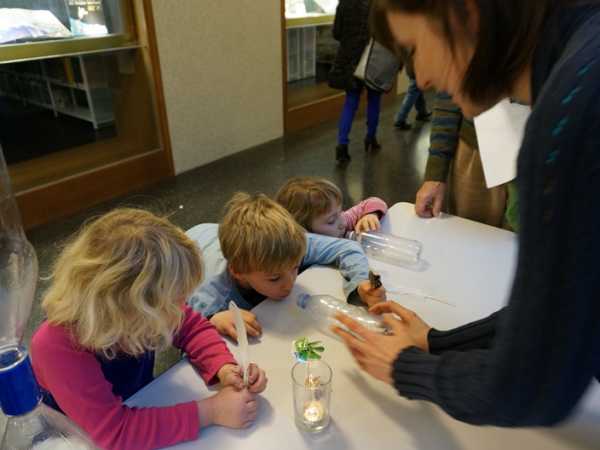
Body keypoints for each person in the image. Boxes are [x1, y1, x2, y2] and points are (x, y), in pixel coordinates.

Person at [334, 0, 600, 427]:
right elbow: (558, 308)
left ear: (466, 12)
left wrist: (404, 367)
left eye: (414, 49)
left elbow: (532, 384)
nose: (420, 78)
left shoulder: (569, 119)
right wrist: (438, 342)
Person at [31, 209, 268, 450]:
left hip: (139, 401)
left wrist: (224, 368)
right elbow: (115, 433)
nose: (181, 308)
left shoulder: (144, 312)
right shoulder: (56, 346)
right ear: (128, 310)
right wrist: (212, 411)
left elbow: (191, 327)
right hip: (74, 436)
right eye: (175, 300)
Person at [186, 193, 386, 340]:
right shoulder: (210, 293)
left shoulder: (287, 245)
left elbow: (347, 247)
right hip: (190, 246)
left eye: (296, 267)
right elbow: (184, 332)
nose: (289, 284)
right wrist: (213, 320)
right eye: (274, 278)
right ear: (238, 273)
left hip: (216, 234)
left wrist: (360, 283)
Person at [415, 92, 517, 230]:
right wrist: (435, 174)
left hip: (540, 150)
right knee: (471, 234)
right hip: (477, 151)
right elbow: (449, 97)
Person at [329, 0, 383, 163]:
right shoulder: (377, 4)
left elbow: (337, 33)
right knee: (374, 100)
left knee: (350, 102)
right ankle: (371, 138)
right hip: (372, 59)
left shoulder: (344, 2)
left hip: (350, 61)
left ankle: (342, 146)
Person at [275, 176, 388, 238]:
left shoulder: (342, 221)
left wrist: (370, 215)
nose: (343, 223)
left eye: (339, 212)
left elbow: (374, 201)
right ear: (305, 230)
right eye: (331, 221)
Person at [393, 58, 431, 130]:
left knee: (418, 90)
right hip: (418, 68)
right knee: (413, 92)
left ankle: (422, 112)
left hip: (411, 66)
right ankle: (400, 119)